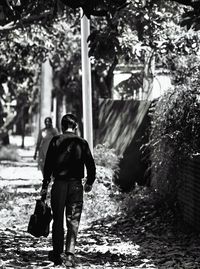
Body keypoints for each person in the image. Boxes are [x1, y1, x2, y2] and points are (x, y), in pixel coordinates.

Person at [40, 113, 96, 267]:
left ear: (62, 126)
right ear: (76, 127)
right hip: (76, 186)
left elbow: (48, 166)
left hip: (59, 185)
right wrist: (89, 182)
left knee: (57, 220)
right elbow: (90, 164)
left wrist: (45, 186)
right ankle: (70, 255)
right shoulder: (82, 143)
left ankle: (58, 255)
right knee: (73, 220)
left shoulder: (56, 141)